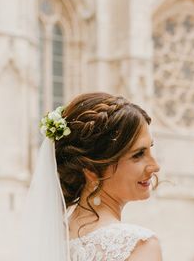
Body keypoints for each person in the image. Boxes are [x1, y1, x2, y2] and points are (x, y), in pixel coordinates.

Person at [19, 92, 162, 261]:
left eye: (150, 148)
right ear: (91, 169)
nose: (155, 166)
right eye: (138, 154)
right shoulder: (138, 246)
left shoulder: (48, 240)